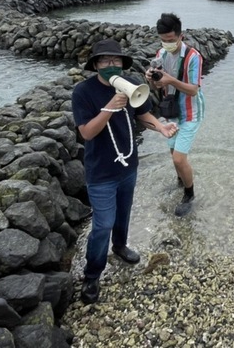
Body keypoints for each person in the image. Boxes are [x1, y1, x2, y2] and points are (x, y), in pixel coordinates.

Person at [72, 39, 177, 304]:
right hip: (101, 173)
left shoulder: (129, 82)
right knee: (102, 224)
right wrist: (109, 107)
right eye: (105, 61)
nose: (111, 65)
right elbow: (86, 132)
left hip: (128, 166)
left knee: (123, 213)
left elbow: (143, 113)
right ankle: (92, 275)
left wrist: (161, 127)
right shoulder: (83, 92)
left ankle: (119, 246)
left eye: (115, 61)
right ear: (95, 65)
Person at [146, 13, 205, 217]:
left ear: (181, 36)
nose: (167, 43)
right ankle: (181, 182)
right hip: (171, 111)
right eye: (164, 40)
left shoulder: (193, 57)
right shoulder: (161, 54)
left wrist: (170, 79)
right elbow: (156, 85)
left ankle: (189, 194)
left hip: (190, 111)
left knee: (180, 159)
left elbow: (194, 90)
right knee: (173, 155)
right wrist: (151, 79)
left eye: (171, 40)